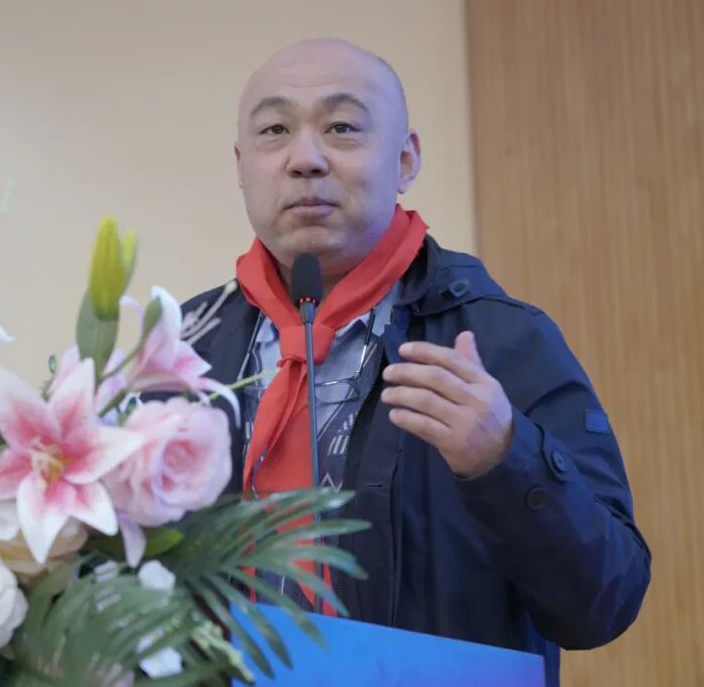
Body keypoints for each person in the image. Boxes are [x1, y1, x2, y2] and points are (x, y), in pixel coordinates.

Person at [177, 38, 651, 686]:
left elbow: (605, 601)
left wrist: (506, 458)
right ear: (241, 164)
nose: (305, 158)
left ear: (405, 160)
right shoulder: (182, 351)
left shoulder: (502, 342)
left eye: (342, 127)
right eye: (275, 131)